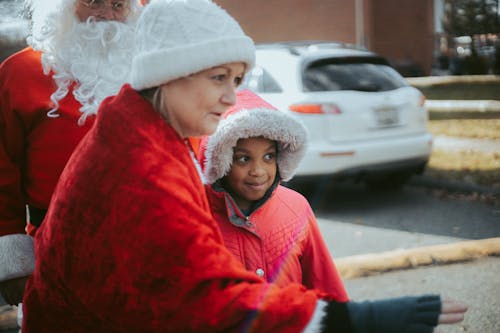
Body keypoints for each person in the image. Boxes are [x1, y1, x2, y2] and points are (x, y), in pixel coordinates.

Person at [22, 0, 467, 332]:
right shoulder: (141, 166)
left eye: (236, 80)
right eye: (219, 78)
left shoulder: (144, 127)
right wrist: (369, 318)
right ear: (167, 73)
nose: (232, 97)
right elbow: (209, 302)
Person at [0, 0, 142, 308]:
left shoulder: (157, 72)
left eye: (118, 4)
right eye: (93, 2)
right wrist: (14, 264)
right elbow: (2, 171)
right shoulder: (20, 72)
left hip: (145, 256)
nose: (106, 16)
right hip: (54, 255)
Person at [199, 89, 348, 301]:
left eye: (268, 156)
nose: (258, 170)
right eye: (243, 159)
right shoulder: (198, 217)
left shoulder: (296, 207)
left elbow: (325, 286)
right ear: (221, 160)